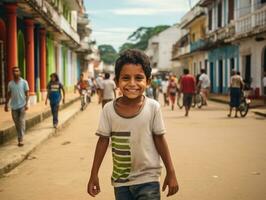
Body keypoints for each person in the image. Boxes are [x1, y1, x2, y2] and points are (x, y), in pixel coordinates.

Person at [87, 49, 179, 200]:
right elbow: (103, 141)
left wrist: (171, 172)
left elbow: (160, 139)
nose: (132, 84)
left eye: (138, 78)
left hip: (148, 180)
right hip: (121, 182)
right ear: (117, 82)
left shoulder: (153, 107)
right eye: (125, 78)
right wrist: (94, 174)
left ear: (148, 81)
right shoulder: (108, 110)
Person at [4, 66, 29, 147]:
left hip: (22, 105)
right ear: (12, 73)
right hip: (13, 107)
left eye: (17, 71)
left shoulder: (24, 82)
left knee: (21, 122)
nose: (16, 72)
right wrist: (6, 104)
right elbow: (8, 94)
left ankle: (20, 139)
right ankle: (20, 136)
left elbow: (27, 93)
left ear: (20, 72)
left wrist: (26, 103)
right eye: (14, 71)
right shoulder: (10, 83)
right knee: (17, 123)